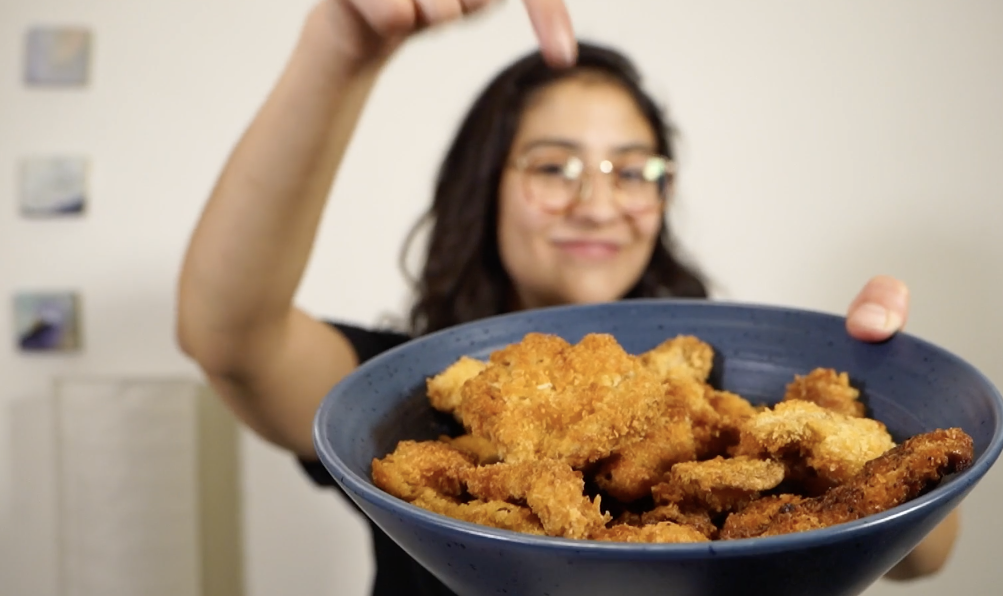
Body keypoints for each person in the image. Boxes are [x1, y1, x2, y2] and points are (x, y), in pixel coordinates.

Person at [176, 0, 961, 594]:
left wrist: (893, 393)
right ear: (485, 187)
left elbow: (925, 555)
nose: (597, 200)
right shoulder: (413, 392)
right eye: (554, 166)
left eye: (634, 169)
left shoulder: (732, 391)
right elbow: (228, 337)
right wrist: (340, 49)